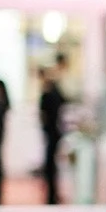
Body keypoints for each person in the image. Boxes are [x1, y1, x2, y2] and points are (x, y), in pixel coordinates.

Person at [38, 66, 66, 204]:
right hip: (52, 132)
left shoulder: (49, 94)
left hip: (52, 133)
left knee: (50, 165)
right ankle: (51, 194)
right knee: (51, 165)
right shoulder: (51, 93)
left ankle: (52, 195)